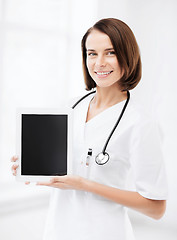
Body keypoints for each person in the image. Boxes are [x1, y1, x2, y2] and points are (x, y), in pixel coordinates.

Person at [11, 18, 168, 240]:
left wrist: (85, 185)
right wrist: (33, 162)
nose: (99, 62)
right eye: (92, 53)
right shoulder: (68, 108)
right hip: (58, 231)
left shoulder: (140, 123)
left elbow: (156, 208)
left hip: (106, 233)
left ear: (127, 55)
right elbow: (61, 170)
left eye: (110, 52)